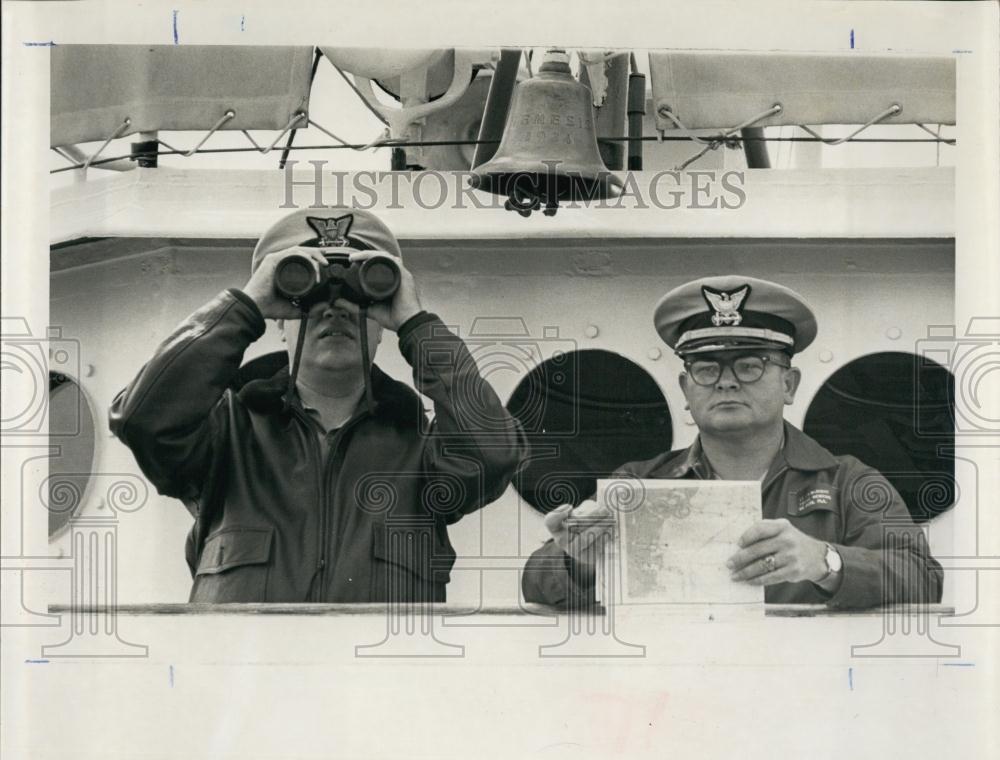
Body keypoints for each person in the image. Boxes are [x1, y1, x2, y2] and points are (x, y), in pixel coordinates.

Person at [110, 208, 527, 603]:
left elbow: (493, 453)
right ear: (279, 322)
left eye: (356, 293)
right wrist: (247, 305)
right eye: (309, 294)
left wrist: (416, 324)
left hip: (383, 678)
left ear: (382, 326)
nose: (334, 307)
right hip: (241, 677)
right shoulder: (226, 435)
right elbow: (142, 420)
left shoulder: (422, 449)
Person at [521, 275, 943, 609]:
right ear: (687, 389)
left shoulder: (848, 483)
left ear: (789, 384)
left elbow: (923, 578)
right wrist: (580, 561)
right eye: (706, 368)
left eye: (749, 365)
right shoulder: (638, 484)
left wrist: (825, 561)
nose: (725, 381)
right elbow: (534, 582)